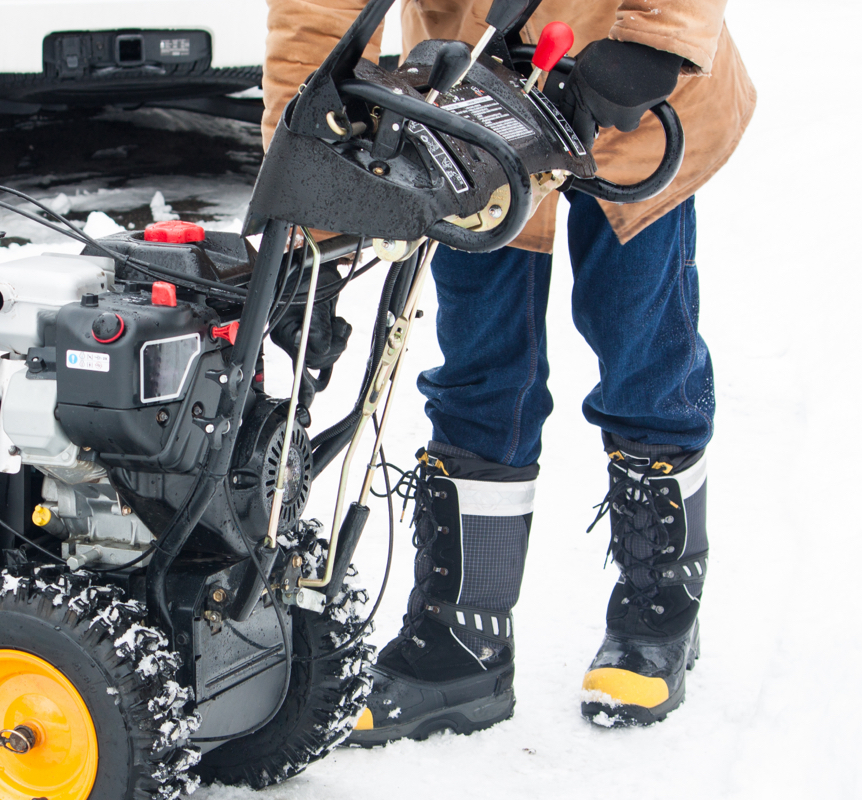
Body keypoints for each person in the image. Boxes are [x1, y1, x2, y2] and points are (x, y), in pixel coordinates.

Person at [259, 0, 755, 739]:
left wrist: (654, 41)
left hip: (631, 95)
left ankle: (661, 608)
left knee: (640, 347)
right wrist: (310, 221)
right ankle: (464, 638)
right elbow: (312, 15)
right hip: (473, 115)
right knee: (482, 366)